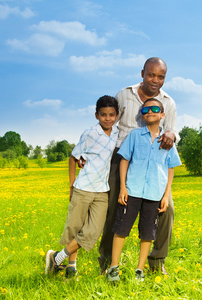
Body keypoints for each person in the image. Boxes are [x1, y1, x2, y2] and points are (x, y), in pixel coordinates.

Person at [96, 57, 179, 275]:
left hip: (152, 162)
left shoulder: (168, 103)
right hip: (121, 157)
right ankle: (107, 262)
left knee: (167, 209)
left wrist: (171, 133)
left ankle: (156, 260)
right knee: (115, 207)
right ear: (142, 73)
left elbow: (170, 132)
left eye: (161, 77)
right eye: (151, 75)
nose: (155, 80)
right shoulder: (124, 95)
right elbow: (108, 123)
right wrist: (91, 150)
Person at [106, 99, 181, 282]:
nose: (149, 111)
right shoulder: (134, 135)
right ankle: (113, 268)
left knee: (148, 233)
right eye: (145, 109)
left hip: (154, 194)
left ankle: (140, 270)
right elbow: (124, 160)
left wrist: (165, 196)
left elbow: (170, 168)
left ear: (163, 115)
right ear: (142, 114)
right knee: (121, 229)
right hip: (132, 191)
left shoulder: (168, 140)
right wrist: (123, 187)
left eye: (155, 109)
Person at [45, 95, 119, 279]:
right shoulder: (89, 133)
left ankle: (56, 257)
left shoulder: (118, 133)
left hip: (102, 190)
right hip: (83, 188)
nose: (107, 118)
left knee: (93, 231)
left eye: (111, 114)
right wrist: (71, 186)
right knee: (75, 227)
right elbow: (73, 157)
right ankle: (71, 266)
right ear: (96, 115)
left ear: (117, 115)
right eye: (103, 115)